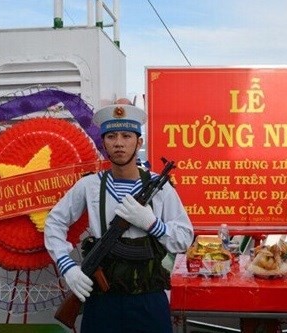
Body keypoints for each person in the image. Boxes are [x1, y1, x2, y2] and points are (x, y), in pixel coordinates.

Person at [44, 101, 194, 332]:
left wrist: (153, 224)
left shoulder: (159, 187)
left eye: (126, 136)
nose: (119, 144)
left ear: (139, 142)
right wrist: (68, 268)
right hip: (103, 299)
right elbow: (54, 223)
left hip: (148, 299)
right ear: (103, 143)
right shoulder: (89, 185)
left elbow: (184, 237)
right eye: (111, 136)